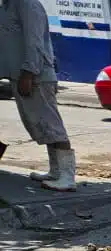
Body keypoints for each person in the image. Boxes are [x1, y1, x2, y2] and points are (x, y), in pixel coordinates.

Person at [0, 0, 76, 191]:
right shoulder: (7, 5)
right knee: (39, 125)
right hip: (19, 75)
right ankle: (55, 170)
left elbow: (34, 41)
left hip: (36, 76)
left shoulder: (27, 4)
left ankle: (67, 176)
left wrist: (29, 72)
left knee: (51, 124)